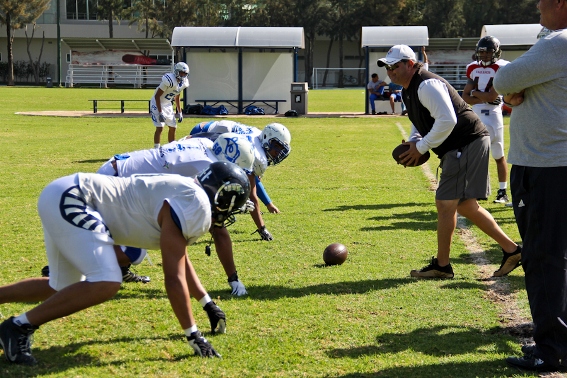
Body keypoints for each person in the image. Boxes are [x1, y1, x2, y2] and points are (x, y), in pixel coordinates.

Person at [0, 162, 251, 365]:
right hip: (76, 198)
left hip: (65, 191)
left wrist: (206, 303)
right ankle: (17, 327)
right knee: (107, 281)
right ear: (221, 197)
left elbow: (179, 258)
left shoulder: (189, 193)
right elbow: (173, 277)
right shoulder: (195, 204)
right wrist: (193, 334)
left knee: (61, 286)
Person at [43, 135, 256, 296]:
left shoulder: (206, 145)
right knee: (136, 252)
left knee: (147, 236)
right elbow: (218, 230)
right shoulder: (207, 167)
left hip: (120, 168)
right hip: (118, 184)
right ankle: (73, 263)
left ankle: (103, 266)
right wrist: (233, 279)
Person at [378, 44, 521, 279]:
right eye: (387, 66)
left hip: (465, 143)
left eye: (395, 66)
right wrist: (415, 139)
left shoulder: (426, 84)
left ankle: (442, 266)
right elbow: (422, 120)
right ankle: (512, 250)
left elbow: (447, 120)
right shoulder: (408, 89)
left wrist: (421, 147)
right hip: (461, 144)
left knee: (445, 204)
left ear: (410, 64)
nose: (390, 71)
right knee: (465, 205)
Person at [493, 0, 567, 371]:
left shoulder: (559, 42)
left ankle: (550, 350)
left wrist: (511, 90)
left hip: (544, 166)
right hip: (555, 164)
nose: (538, 4)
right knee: (557, 257)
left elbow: (503, 80)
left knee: (542, 258)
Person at [187, 120, 292, 242]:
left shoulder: (259, 140)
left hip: (215, 135)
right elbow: (253, 193)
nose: (277, 152)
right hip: (204, 133)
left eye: (281, 148)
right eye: (276, 146)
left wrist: (268, 203)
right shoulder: (258, 153)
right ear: (266, 138)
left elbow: (253, 181)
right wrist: (262, 228)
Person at [463, 36, 511, 205]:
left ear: (496, 52)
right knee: (475, 154)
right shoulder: (473, 68)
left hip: (494, 116)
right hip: (476, 115)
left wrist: (476, 94)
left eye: (488, 51)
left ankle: (502, 191)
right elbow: (465, 96)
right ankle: (475, 190)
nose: (484, 55)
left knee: (498, 155)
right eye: (482, 51)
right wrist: (479, 96)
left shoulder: (501, 67)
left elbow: (492, 96)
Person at [150, 62, 189, 149]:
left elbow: (177, 97)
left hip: (167, 104)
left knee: (173, 127)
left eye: (185, 73)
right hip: (157, 103)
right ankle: (156, 149)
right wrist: (160, 112)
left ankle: (172, 148)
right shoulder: (169, 80)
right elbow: (157, 96)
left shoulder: (183, 83)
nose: (183, 75)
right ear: (176, 71)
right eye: (181, 73)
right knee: (160, 127)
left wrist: (180, 112)